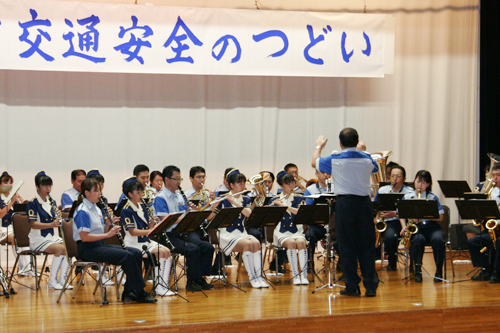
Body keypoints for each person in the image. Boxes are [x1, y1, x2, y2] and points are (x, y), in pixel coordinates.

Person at [313, 128, 379, 297]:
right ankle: (370, 286)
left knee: (347, 246)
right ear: (357, 142)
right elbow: (375, 168)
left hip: (345, 205)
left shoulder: (335, 159)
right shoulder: (366, 157)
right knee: (367, 245)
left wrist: (319, 146)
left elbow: (315, 162)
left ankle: (352, 286)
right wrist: (363, 150)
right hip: (364, 204)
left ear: (341, 143)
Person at [73, 178, 156, 303]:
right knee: (127, 256)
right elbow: (85, 237)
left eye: (100, 190)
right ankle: (140, 291)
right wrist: (108, 234)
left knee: (136, 253)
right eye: (96, 191)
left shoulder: (95, 207)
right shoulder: (82, 211)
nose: (99, 194)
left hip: (99, 245)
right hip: (87, 249)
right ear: (86, 193)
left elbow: (98, 231)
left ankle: (129, 292)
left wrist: (107, 225)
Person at [153, 165, 215, 292]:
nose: (179, 182)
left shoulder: (179, 195)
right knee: (192, 249)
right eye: (176, 179)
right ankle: (192, 282)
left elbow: (185, 214)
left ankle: (200, 278)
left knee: (207, 247)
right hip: (168, 235)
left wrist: (192, 211)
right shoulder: (160, 198)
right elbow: (165, 221)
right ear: (166, 179)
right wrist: (186, 216)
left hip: (182, 232)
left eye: (180, 179)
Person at [213, 169, 268, 288]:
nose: (243, 186)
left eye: (243, 183)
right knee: (248, 245)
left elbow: (248, 214)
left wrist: (235, 202)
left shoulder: (245, 199)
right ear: (231, 185)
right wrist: (213, 206)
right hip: (226, 234)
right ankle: (252, 278)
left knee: (256, 243)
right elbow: (209, 217)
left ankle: (259, 277)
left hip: (241, 233)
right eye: (239, 183)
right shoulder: (223, 199)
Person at [121, 177, 175, 296]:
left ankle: (163, 285)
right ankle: (159, 287)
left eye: (142, 192)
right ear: (130, 194)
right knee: (161, 252)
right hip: (133, 243)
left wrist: (151, 224)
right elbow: (132, 231)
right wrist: (150, 230)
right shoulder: (126, 209)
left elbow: (145, 227)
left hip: (145, 240)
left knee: (167, 251)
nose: (141, 195)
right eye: (138, 192)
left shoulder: (142, 206)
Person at [27, 171, 72, 290]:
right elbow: (33, 224)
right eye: (45, 185)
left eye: (49, 185)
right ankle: (52, 280)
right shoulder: (33, 203)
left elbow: (55, 221)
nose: (48, 188)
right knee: (61, 249)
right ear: (37, 187)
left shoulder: (52, 202)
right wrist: (51, 224)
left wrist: (58, 217)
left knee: (70, 247)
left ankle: (63, 279)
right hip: (38, 239)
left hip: (51, 238)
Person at [403, 170, 445, 283]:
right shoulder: (407, 197)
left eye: (423, 183)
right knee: (418, 240)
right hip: (417, 228)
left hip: (432, 227)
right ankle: (417, 270)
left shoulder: (432, 197)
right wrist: (403, 227)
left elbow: (440, 217)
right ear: (414, 182)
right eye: (418, 181)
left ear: (428, 184)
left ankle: (439, 271)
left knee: (438, 239)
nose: (420, 185)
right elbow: (401, 214)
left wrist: (426, 215)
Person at [270, 171, 309, 285]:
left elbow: (301, 213)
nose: (291, 186)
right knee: (291, 243)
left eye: (292, 183)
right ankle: (296, 276)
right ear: (281, 186)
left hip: (297, 231)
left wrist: (284, 206)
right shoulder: (275, 199)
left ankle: (304, 275)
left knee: (301, 242)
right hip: (281, 233)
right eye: (288, 184)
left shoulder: (299, 198)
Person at [373, 165, 413, 271]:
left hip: (401, 222)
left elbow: (410, 211)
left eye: (398, 176)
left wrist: (395, 214)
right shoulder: (383, 190)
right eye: (392, 176)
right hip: (386, 221)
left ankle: (392, 262)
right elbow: (376, 207)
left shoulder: (409, 192)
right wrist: (376, 218)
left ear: (404, 179)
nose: (394, 179)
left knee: (391, 236)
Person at [467, 163, 500, 281]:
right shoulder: (493, 192)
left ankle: (497, 272)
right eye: (494, 175)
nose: (495, 178)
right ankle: (486, 270)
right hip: (493, 229)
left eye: (498, 175)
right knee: (473, 241)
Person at [0, 172, 27, 275]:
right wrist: (11, 202)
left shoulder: (15, 197)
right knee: (16, 237)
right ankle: (21, 266)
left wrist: (21, 202)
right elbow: (1, 214)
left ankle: (29, 267)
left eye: (11, 182)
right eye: (6, 182)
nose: (9, 185)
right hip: (3, 229)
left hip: (15, 228)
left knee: (27, 236)